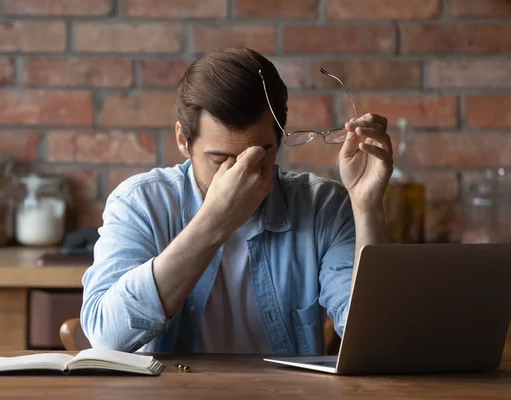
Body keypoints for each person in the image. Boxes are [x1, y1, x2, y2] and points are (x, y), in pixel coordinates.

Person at [80, 48, 393, 355]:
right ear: (182, 141)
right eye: (220, 159)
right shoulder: (140, 202)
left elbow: (376, 343)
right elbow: (107, 337)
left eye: (261, 154)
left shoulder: (322, 206)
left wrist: (366, 208)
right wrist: (214, 221)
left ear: (279, 140)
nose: (243, 173)